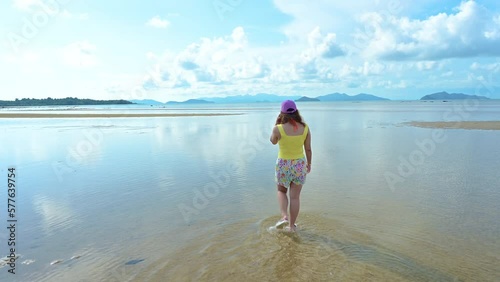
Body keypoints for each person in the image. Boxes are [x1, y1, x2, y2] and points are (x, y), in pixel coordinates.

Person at [270, 100, 312, 232]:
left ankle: (284, 217)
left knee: (281, 191)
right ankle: (292, 226)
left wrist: (277, 125)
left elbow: (273, 141)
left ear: (282, 113)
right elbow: (308, 149)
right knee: (295, 197)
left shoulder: (278, 128)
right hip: (299, 164)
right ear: (296, 111)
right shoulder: (305, 128)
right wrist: (309, 164)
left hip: (283, 164)